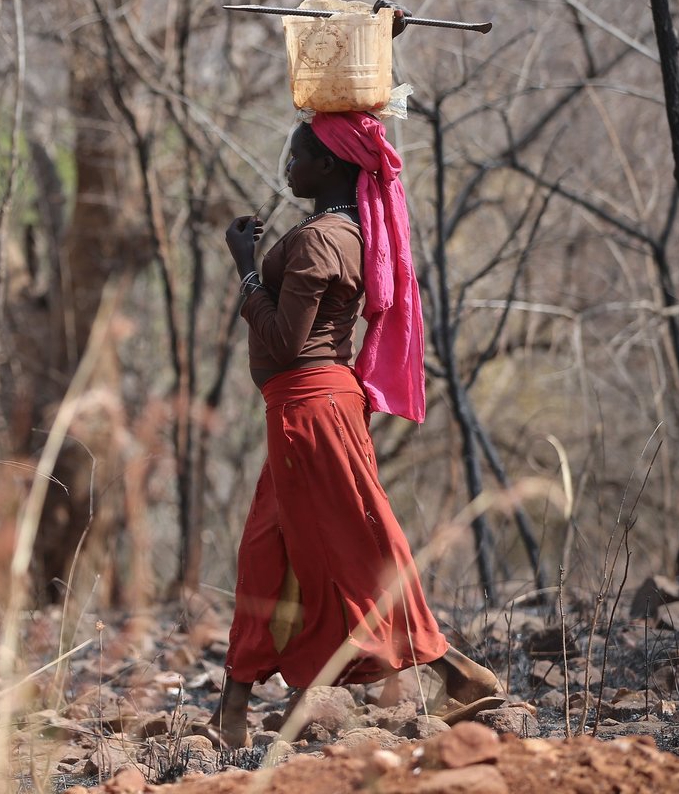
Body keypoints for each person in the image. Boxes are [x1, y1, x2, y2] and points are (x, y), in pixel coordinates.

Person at [212, 108, 504, 749]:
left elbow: (288, 341)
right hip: (306, 410)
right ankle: (232, 707)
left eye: (297, 156)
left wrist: (247, 268)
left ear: (331, 165)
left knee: (362, 543)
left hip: (310, 411)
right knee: (267, 548)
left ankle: (455, 672)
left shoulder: (321, 240)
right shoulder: (343, 230)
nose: (288, 167)